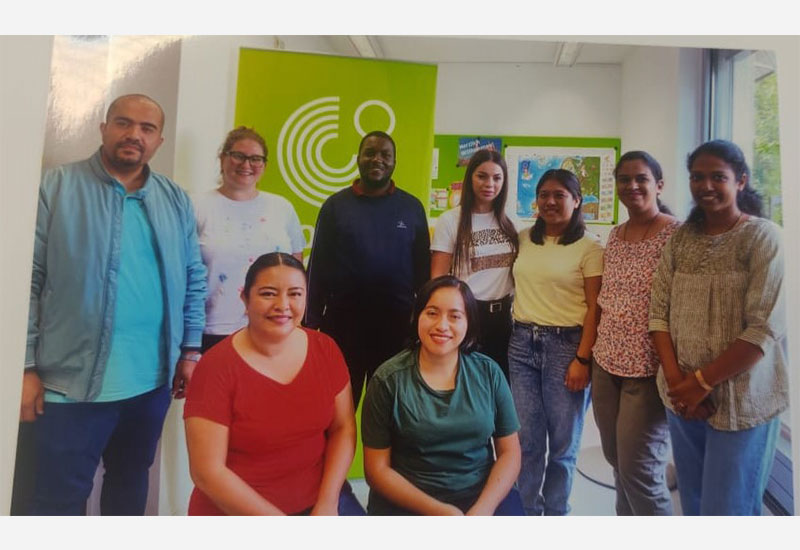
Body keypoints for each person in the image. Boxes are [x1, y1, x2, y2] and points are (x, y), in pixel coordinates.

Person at [21, 94, 207, 515]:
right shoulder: (56, 186)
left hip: (151, 383)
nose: (134, 135)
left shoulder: (174, 198)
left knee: (129, 487)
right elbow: (26, 281)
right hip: (68, 385)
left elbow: (194, 277)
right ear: (104, 128)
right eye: (123, 123)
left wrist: (190, 350)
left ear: (159, 141)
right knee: (55, 502)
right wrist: (25, 367)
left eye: (147, 128)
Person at [649, 140, 787, 516]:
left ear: (740, 181)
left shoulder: (763, 238)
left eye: (718, 177)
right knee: (694, 506)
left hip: (742, 402)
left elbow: (762, 330)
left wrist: (700, 383)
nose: (705, 186)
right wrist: (679, 386)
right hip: (682, 400)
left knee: (727, 511)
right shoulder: (681, 239)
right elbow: (658, 314)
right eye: (697, 177)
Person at [184, 252, 364, 515]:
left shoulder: (325, 349)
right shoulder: (215, 367)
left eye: (295, 294)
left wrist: (328, 502)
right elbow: (207, 472)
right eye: (268, 294)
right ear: (245, 298)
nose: (283, 305)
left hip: (320, 501)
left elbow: (343, 428)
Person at [361, 276, 523, 515]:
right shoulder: (387, 380)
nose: (442, 325)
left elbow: (510, 453)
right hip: (408, 500)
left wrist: (483, 509)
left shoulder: (489, 373)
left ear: (469, 323)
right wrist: (441, 512)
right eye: (432, 313)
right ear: (417, 316)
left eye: (455, 316)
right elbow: (376, 470)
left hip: (480, 496)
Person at [305, 130, 430, 407]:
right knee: (338, 410)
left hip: (395, 331)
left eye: (385, 155)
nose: (377, 160)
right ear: (358, 158)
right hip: (342, 329)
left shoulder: (411, 208)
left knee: (389, 411)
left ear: (394, 162)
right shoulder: (335, 207)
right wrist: (309, 325)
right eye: (370, 153)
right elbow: (317, 268)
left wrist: (420, 325)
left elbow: (424, 273)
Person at [508, 168, 603, 516]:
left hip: (567, 348)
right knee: (527, 440)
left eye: (559, 195)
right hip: (522, 344)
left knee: (563, 445)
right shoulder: (523, 238)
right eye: (544, 195)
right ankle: (526, 511)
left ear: (576, 201)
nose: (550, 201)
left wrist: (583, 359)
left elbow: (595, 307)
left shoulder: (590, 246)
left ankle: (556, 511)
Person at [591, 151, 679, 515]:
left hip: (647, 369)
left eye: (641, 178)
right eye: (624, 179)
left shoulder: (676, 234)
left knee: (639, 470)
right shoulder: (616, 235)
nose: (632, 186)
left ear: (659, 185)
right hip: (605, 362)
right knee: (616, 461)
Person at [192, 126, 305, 353]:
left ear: (264, 165)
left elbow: (296, 270)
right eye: (238, 156)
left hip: (273, 328)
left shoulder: (282, 208)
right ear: (223, 158)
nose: (246, 165)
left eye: (255, 159)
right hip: (212, 330)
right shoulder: (196, 206)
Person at [430, 150, 518, 379]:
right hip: (467, 314)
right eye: (482, 176)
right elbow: (437, 278)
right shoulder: (451, 220)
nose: (489, 184)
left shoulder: (510, 221)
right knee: (465, 382)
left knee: (499, 383)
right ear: (470, 177)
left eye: (497, 178)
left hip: (503, 319)